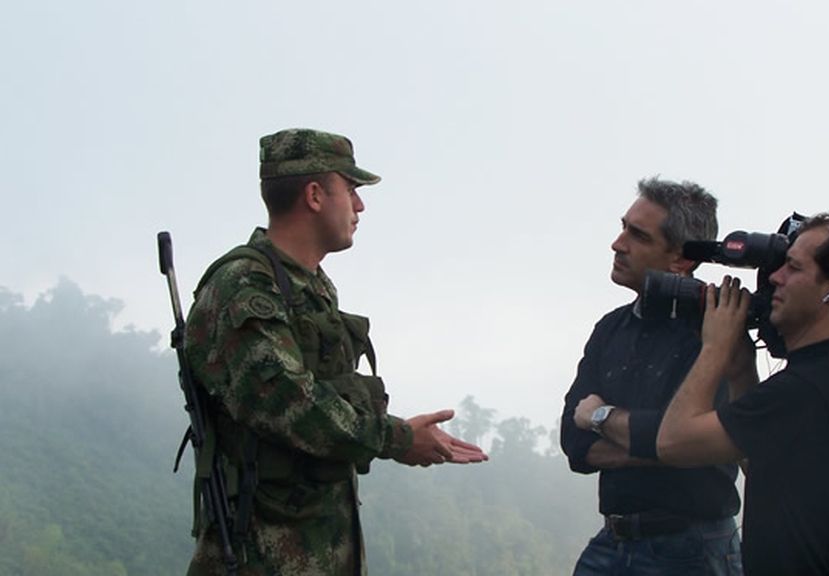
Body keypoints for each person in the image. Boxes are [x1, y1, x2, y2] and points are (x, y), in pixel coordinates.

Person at [183, 128, 487, 576]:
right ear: (314, 195)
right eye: (350, 189)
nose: (360, 206)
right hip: (261, 556)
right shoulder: (244, 286)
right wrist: (396, 438)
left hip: (318, 548)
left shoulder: (310, 286)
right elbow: (290, 402)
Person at [655, 212, 829, 575]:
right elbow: (764, 466)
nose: (774, 278)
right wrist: (740, 371)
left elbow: (672, 442)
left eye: (794, 268)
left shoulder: (809, 388)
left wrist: (715, 348)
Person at [561, 178, 745, 576]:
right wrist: (661, 445)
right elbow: (574, 444)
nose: (617, 243)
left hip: (693, 549)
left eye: (637, 235)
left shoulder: (714, 331)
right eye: (623, 226)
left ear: (680, 259)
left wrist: (600, 418)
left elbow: (695, 445)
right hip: (613, 541)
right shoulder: (611, 329)